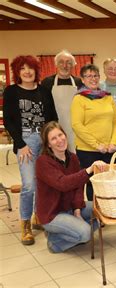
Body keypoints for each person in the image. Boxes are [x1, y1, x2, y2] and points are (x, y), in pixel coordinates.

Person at [3, 55, 58, 245]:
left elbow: (52, 118)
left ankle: (38, 217)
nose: (27, 72)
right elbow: (9, 120)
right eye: (22, 69)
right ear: (17, 72)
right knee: (28, 184)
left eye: (30, 68)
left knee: (42, 181)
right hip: (25, 140)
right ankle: (25, 223)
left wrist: (51, 142)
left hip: (43, 140)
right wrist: (20, 144)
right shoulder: (11, 91)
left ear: (36, 70)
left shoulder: (44, 91)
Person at [35, 121, 106, 253]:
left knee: (104, 210)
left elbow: (78, 186)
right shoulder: (43, 162)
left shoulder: (72, 158)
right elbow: (63, 183)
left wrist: (77, 209)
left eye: (60, 135)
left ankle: (66, 232)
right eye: (53, 138)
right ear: (48, 144)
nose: (59, 140)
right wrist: (88, 170)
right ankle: (55, 243)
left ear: (65, 135)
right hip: (52, 214)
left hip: (69, 207)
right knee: (85, 233)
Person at [71, 64, 116, 201]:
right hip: (88, 151)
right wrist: (97, 145)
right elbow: (77, 125)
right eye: (88, 76)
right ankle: (95, 216)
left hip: (109, 149)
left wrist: (114, 143)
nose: (93, 79)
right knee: (93, 184)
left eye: (95, 75)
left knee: (110, 183)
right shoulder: (79, 99)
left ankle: (109, 211)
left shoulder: (107, 97)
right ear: (82, 79)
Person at [42, 50, 82, 152]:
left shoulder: (78, 82)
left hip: (75, 128)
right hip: (54, 126)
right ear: (56, 64)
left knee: (74, 156)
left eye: (69, 63)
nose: (65, 66)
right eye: (61, 62)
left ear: (73, 65)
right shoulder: (47, 82)